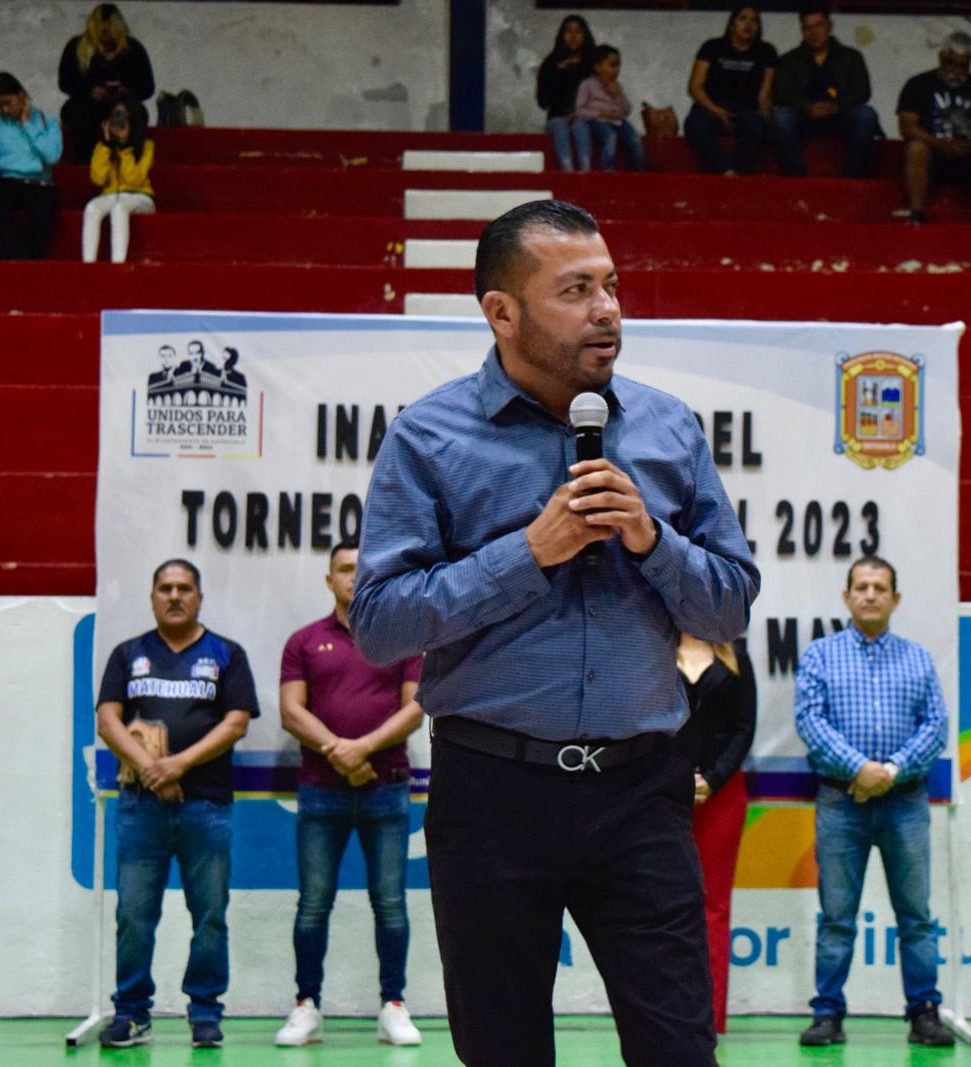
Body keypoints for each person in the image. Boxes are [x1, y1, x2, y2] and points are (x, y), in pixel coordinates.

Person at [349, 198, 760, 1067]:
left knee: (682, 1048)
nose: (608, 309)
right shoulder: (430, 435)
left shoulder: (666, 426)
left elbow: (727, 607)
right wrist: (528, 553)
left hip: (643, 787)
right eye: (576, 290)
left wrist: (653, 540)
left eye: (611, 285)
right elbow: (381, 625)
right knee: (503, 1051)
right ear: (502, 312)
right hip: (491, 791)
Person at [94, 559, 258, 1049]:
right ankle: (131, 1012)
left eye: (184, 588)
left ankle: (204, 1011)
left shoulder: (226, 654)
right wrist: (151, 767)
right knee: (133, 915)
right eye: (164, 588)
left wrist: (178, 764)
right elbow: (108, 720)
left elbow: (235, 724)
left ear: (199, 597)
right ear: (151, 597)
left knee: (209, 913)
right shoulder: (129, 655)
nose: (174, 596)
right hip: (141, 808)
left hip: (205, 808)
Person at [794, 557, 952, 1050]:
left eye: (879, 587)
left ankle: (924, 1012)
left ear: (895, 599)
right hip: (841, 804)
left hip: (905, 802)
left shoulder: (919, 658)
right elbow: (810, 721)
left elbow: (936, 727)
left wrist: (890, 773)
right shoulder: (820, 656)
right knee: (837, 916)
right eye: (860, 586)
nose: (869, 595)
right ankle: (827, 1015)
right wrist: (859, 769)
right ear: (846, 597)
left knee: (916, 917)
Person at [273, 539, 425, 1048]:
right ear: (329, 579)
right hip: (321, 792)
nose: (351, 578)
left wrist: (358, 748)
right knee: (314, 903)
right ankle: (306, 1005)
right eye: (342, 570)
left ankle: (393, 1005)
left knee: (390, 903)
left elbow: (414, 708)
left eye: (360, 570)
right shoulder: (303, 640)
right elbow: (291, 711)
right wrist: (341, 751)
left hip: (387, 790)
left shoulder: (401, 638)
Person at [675, 633, 756, 1035]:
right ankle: (667, 1013)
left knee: (714, 906)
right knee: (661, 906)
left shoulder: (736, 654)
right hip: (661, 795)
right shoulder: (655, 643)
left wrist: (711, 779)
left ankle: (711, 1018)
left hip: (721, 796)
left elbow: (745, 728)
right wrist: (675, 780)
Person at [895, 30, 971, 223]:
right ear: (941, 57)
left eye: (963, 66)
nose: (956, 70)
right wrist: (938, 144)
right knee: (916, 148)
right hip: (932, 155)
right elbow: (907, 127)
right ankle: (916, 212)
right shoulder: (918, 84)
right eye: (951, 63)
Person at [771, 5, 880, 179]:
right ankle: (797, 179)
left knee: (866, 114)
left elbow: (862, 91)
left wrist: (837, 106)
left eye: (819, 25)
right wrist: (807, 108)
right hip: (804, 118)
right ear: (802, 31)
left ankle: (850, 178)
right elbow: (780, 94)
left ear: (830, 26)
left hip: (840, 116)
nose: (813, 33)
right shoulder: (789, 60)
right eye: (808, 28)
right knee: (781, 117)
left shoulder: (851, 56)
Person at [684, 6, 777, 176]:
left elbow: (765, 92)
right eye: (743, 18)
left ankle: (735, 171)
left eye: (754, 20)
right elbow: (694, 87)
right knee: (694, 124)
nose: (748, 24)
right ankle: (726, 170)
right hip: (711, 107)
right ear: (731, 25)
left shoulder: (766, 52)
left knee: (758, 127)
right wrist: (715, 110)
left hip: (746, 110)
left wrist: (764, 116)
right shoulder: (712, 47)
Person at [59, 3, 155, 163]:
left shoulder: (134, 49)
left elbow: (147, 86)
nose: (106, 37)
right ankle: (85, 163)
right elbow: (66, 82)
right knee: (80, 112)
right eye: (102, 32)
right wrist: (90, 91)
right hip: (87, 102)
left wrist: (127, 91)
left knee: (136, 112)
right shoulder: (76, 47)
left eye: (111, 32)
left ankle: (132, 163)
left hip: (123, 102)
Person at [0, 72, 63, 259]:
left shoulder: (46, 121)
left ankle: (29, 262)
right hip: (7, 181)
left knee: (45, 211)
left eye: (8, 103)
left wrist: (28, 124)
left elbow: (52, 156)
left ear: (20, 95)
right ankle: (19, 259)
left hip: (39, 182)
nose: (4, 110)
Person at [82, 98, 154, 263]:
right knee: (92, 207)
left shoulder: (146, 146)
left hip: (139, 196)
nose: (119, 122)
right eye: (116, 117)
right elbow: (98, 179)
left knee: (119, 209)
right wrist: (108, 146)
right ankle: (87, 265)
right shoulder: (103, 148)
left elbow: (134, 179)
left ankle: (117, 264)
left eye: (124, 118)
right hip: (110, 195)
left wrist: (124, 147)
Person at [537, 15, 595, 172]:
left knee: (579, 127)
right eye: (568, 32)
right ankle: (567, 173)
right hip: (557, 118)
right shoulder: (550, 63)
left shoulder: (593, 63)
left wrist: (578, 114)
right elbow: (543, 101)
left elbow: (598, 97)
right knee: (561, 128)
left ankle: (585, 174)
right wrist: (559, 71)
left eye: (578, 31)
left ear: (585, 35)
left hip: (585, 117)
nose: (573, 37)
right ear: (561, 36)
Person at [572, 45, 644, 172]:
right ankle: (607, 170)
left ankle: (638, 171)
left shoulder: (616, 86)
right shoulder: (587, 85)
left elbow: (627, 110)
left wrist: (617, 95)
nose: (616, 70)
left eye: (618, 66)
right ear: (598, 67)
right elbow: (580, 110)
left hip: (618, 121)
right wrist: (601, 113)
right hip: (597, 121)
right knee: (610, 137)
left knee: (634, 140)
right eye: (612, 65)